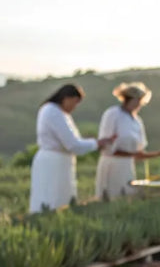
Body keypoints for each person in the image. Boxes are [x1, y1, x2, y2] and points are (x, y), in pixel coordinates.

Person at [29, 84, 115, 213]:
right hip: (53, 161)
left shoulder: (59, 112)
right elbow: (73, 144)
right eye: (75, 103)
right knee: (51, 197)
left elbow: (74, 142)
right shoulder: (52, 112)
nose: (74, 107)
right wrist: (97, 143)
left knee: (59, 197)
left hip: (59, 160)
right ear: (66, 98)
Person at [95, 82, 160, 200]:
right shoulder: (113, 113)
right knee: (110, 198)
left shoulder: (137, 121)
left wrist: (159, 154)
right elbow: (106, 145)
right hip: (111, 164)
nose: (138, 103)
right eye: (136, 100)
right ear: (127, 99)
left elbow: (139, 152)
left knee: (127, 197)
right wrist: (130, 154)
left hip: (127, 166)